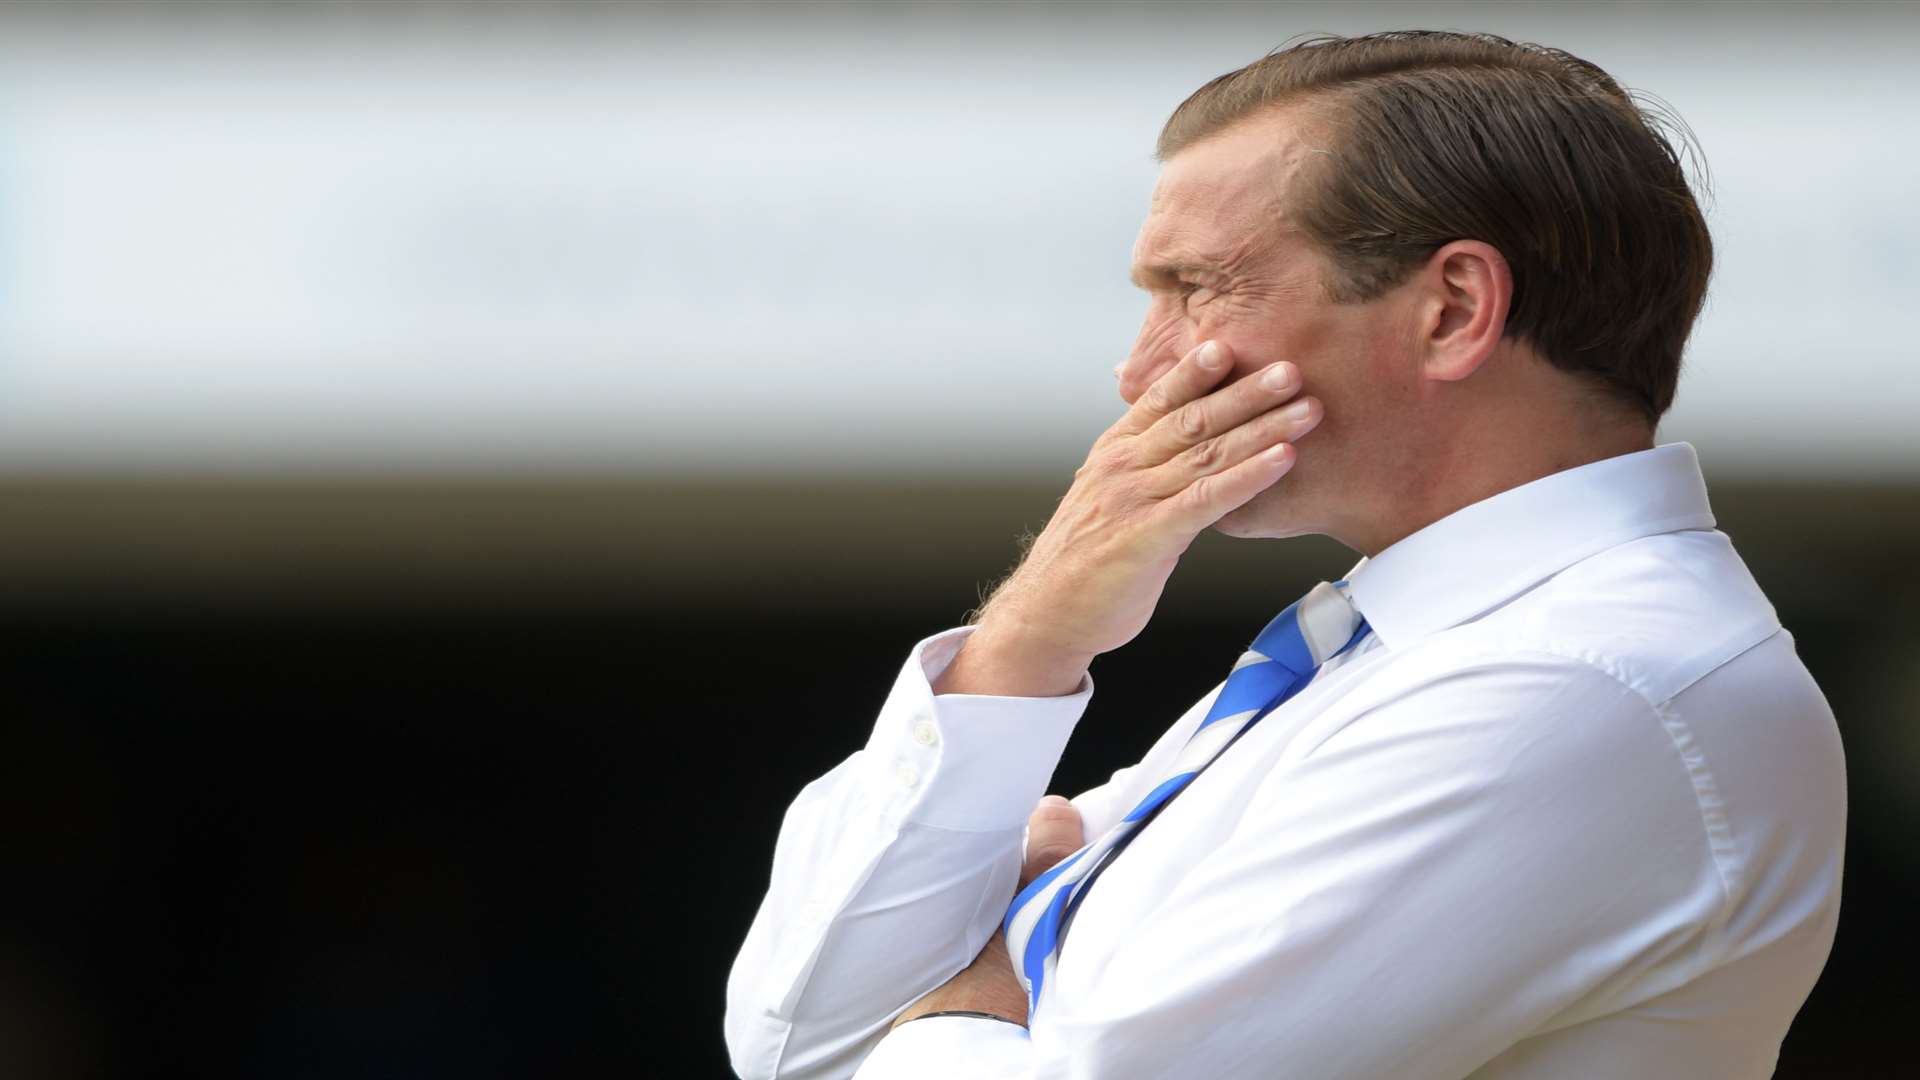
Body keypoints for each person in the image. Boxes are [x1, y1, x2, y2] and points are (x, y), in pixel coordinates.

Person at [724, 30, 1844, 1080]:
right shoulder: (1405, 649)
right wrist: (1031, 637)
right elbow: (790, 1038)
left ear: (1454, 309)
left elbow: (849, 1042)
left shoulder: (1574, 680)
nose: (1142, 369)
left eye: (1201, 287)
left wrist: (959, 999)